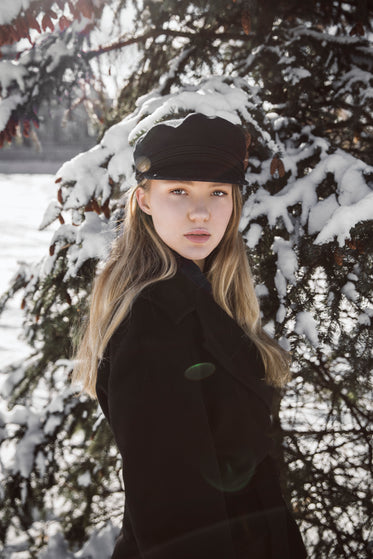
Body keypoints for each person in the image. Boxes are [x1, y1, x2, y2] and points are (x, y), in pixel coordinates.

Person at [72, 113, 308, 559]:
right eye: (178, 191)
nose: (201, 212)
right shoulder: (155, 320)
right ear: (144, 200)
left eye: (218, 193)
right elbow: (172, 509)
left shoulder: (207, 298)